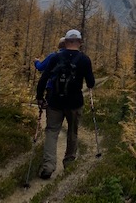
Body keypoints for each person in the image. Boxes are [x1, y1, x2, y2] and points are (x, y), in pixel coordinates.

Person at [36, 29, 95, 179]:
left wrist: (40, 97)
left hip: (54, 101)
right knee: (72, 132)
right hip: (75, 103)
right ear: (80, 42)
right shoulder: (84, 60)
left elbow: (43, 79)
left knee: (51, 132)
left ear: (66, 42)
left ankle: (48, 166)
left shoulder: (55, 57)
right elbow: (91, 83)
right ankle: (69, 162)